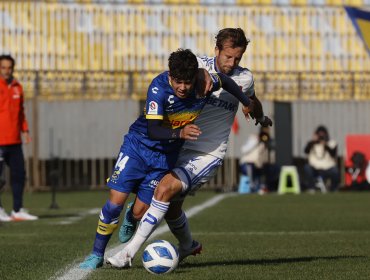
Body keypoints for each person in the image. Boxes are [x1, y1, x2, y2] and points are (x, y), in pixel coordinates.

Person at [108, 28, 272, 268]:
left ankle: (127, 253)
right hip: (180, 144)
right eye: (227, 56)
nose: (232, 62)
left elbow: (250, 99)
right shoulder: (197, 68)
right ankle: (188, 245)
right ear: (216, 50)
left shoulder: (245, 78)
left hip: (208, 153)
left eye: (237, 58)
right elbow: (177, 79)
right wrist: (203, 73)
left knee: (164, 191)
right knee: (166, 207)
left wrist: (260, 114)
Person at [79, 48, 253, 269]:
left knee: (141, 211)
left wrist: (245, 101)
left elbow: (227, 82)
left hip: (166, 157)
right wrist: (180, 133)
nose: (182, 87)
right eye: (177, 81)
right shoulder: (158, 88)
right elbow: (153, 129)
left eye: (187, 82)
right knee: (115, 203)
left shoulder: (203, 83)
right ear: (170, 76)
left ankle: (132, 218)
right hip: (138, 147)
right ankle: (96, 255)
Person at [0, 54, 38, 222]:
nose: (7, 71)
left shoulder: (18, 87)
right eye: (3, 67)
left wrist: (25, 131)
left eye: (9, 67)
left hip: (15, 141)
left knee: (19, 175)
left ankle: (17, 210)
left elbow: (21, 112)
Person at [239, 126, 277, 193]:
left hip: (259, 165)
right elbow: (243, 150)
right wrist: (256, 141)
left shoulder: (267, 141)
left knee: (269, 169)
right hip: (247, 164)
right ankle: (251, 186)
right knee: (250, 166)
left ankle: (263, 186)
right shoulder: (253, 138)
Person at [303, 125, 340, 192]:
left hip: (328, 167)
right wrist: (313, 141)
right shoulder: (312, 144)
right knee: (307, 168)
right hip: (314, 168)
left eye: (322, 135)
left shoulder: (331, 143)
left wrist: (325, 144)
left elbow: (333, 154)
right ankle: (311, 188)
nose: (321, 137)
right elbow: (306, 151)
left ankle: (333, 188)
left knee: (335, 171)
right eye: (319, 135)